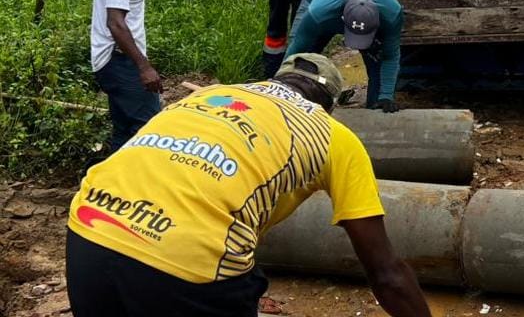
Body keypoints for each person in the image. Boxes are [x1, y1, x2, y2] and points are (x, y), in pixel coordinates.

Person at [66, 52, 431, 317]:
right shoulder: (334, 135)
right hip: (187, 261)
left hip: (89, 228)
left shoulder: (206, 96)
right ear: (329, 105)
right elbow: (386, 274)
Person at [90, 0, 164, 153]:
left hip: (113, 62)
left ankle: (107, 186)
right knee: (151, 130)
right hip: (120, 61)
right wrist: (144, 67)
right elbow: (116, 23)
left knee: (124, 131)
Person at [286, 0, 403, 112]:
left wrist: (386, 96)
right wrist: (281, 86)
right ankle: (298, 104)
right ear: (343, 20)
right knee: (305, 61)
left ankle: (374, 107)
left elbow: (390, 56)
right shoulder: (318, 14)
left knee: (376, 63)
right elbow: (295, 51)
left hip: (353, 0)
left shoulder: (392, 15)